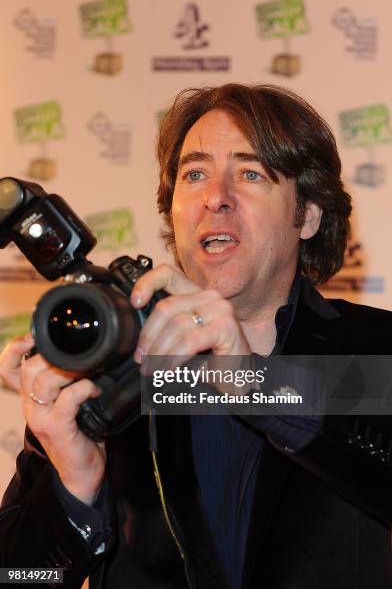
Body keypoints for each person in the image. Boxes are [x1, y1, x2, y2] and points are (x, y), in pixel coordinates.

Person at [1, 83, 392, 589]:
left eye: (251, 173)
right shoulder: (101, 366)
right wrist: (74, 491)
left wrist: (256, 386)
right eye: (195, 174)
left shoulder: (373, 346)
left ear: (308, 215)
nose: (215, 198)